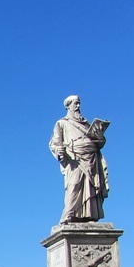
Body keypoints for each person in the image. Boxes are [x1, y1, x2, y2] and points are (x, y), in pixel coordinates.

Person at [49, 95, 109, 224]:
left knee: (91, 186)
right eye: (75, 103)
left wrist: (99, 138)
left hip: (91, 158)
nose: (78, 106)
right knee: (74, 185)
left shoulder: (87, 124)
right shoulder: (62, 123)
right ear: (68, 105)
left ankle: (89, 215)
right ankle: (68, 215)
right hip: (74, 158)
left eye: (79, 103)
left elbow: (99, 141)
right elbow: (54, 143)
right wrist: (59, 152)